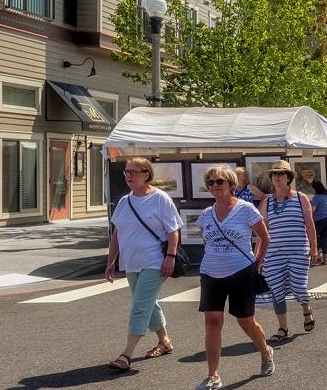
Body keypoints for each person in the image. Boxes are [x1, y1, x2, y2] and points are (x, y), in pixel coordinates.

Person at [195, 165, 274, 390]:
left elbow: (264, 238)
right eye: (210, 183)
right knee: (212, 322)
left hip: (241, 272)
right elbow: (206, 242)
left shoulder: (246, 209)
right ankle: (213, 375)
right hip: (211, 273)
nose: (214, 186)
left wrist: (257, 262)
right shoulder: (205, 215)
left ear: (230, 184)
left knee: (245, 321)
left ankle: (265, 350)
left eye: (219, 181)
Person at [104, 157, 183, 372]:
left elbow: (173, 231)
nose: (129, 176)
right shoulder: (124, 201)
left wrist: (170, 256)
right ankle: (165, 341)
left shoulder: (160, 198)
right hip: (131, 262)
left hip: (154, 261)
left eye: (134, 172)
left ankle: (126, 355)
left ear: (146, 174)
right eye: (126, 172)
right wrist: (110, 261)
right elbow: (117, 234)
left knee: (140, 306)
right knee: (149, 304)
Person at [257, 161, 317, 342]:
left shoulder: (300, 198)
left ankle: (306, 309)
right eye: (274, 174)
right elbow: (262, 232)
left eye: (281, 174)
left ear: (289, 178)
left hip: (298, 250)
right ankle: (283, 328)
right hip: (274, 253)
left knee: (299, 284)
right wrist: (257, 256)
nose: (276, 177)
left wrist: (314, 247)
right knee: (276, 288)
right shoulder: (267, 202)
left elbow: (309, 223)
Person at [309, 181, 327, 266]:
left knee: (314, 239)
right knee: (324, 239)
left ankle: (315, 258)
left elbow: (313, 210)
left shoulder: (316, 198)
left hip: (317, 220)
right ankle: (325, 259)